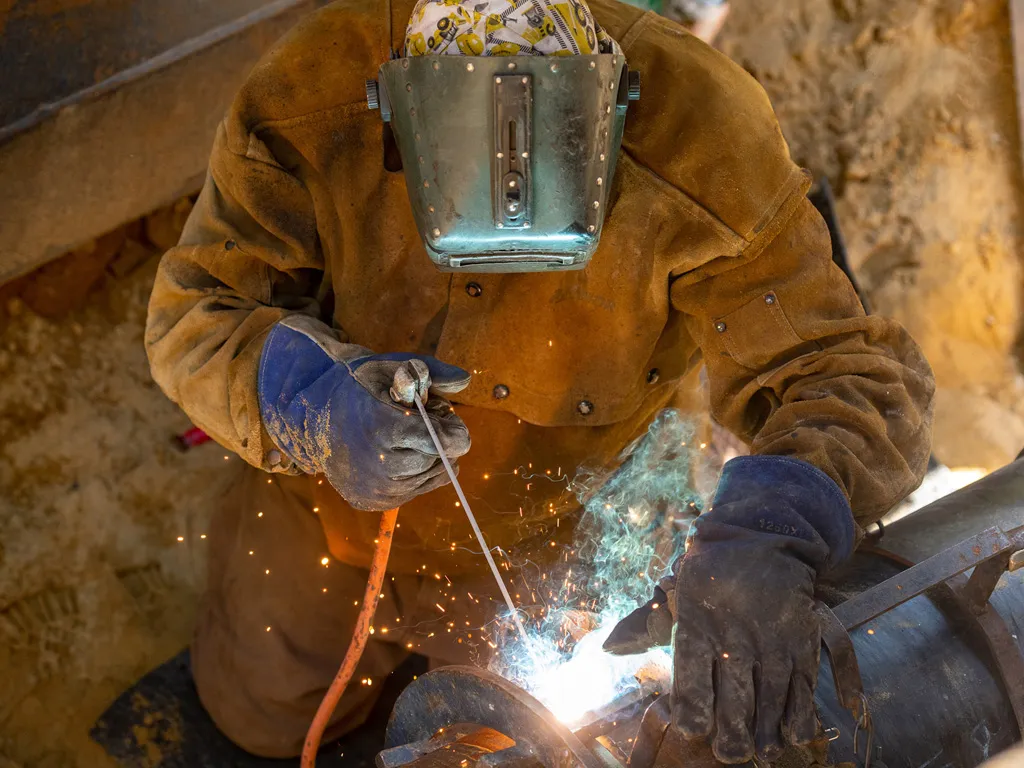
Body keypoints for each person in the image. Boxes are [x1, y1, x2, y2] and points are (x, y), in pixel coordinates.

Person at [144, 0, 934, 760]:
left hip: (557, 534)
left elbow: (843, 371)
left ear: (609, 107)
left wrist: (774, 530)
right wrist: (312, 404)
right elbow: (197, 312)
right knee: (254, 718)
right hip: (322, 514)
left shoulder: (702, 135)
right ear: (394, 111)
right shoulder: (311, 91)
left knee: (537, 740)